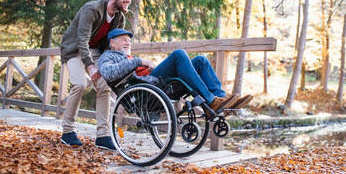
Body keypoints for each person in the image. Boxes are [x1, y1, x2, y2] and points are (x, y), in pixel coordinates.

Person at [98, 29, 253, 118]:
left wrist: (141, 64)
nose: (128, 42)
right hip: (145, 92)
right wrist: (138, 61)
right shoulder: (108, 57)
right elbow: (108, 73)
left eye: (129, 40)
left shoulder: (128, 57)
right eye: (124, 39)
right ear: (112, 42)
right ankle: (211, 101)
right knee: (179, 54)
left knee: (201, 60)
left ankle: (221, 99)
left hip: (152, 82)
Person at [59, 0, 132, 150]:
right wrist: (90, 66)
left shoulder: (120, 18)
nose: (129, 0)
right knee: (80, 84)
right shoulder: (91, 9)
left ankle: (103, 135)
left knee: (104, 85)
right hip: (75, 50)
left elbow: (112, 45)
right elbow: (81, 40)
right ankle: (68, 132)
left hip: (96, 52)